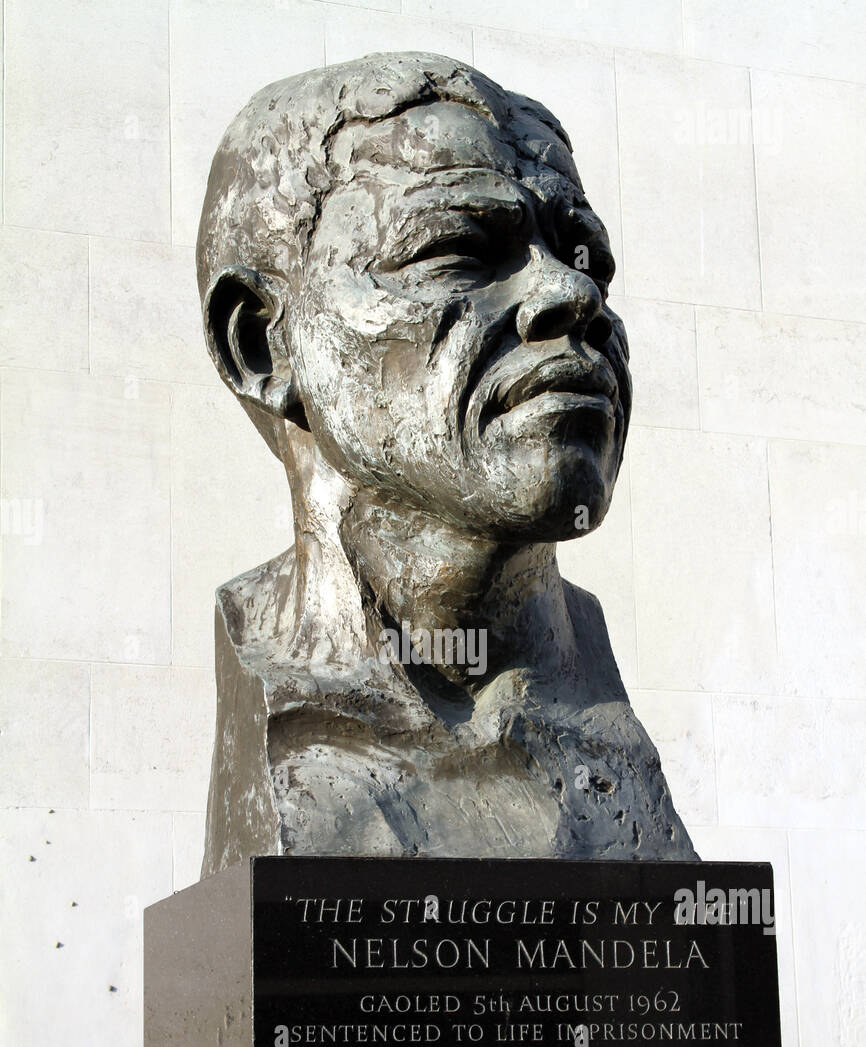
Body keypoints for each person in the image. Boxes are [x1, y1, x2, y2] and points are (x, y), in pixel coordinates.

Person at [195, 52, 696, 873]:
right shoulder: (282, 693)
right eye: (458, 248)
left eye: (583, 255)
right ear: (261, 343)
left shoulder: (602, 722)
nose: (571, 296)